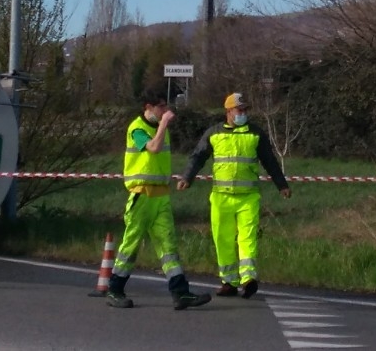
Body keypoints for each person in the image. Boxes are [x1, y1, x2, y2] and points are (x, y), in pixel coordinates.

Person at [105, 90, 211, 311]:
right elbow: (152, 148)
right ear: (148, 107)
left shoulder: (162, 130)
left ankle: (180, 292)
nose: (165, 110)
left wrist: (162, 126)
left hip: (161, 196)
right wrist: (163, 124)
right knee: (131, 245)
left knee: (168, 245)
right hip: (142, 195)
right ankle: (115, 289)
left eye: (165, 106)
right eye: (161, 106)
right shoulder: (137, 128)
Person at [178, 92, 291, 299]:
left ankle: (248, 278)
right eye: (240, 110)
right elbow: (198, 156)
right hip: (221, 197)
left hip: (248, 197)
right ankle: (229, 281)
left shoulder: (255, 134)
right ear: (228, 111)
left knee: (248, 238)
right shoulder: (214, 133)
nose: (243, 113)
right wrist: (187, 177)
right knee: (223, 239)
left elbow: (269, 160)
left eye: (246, 110)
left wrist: (281, 185)